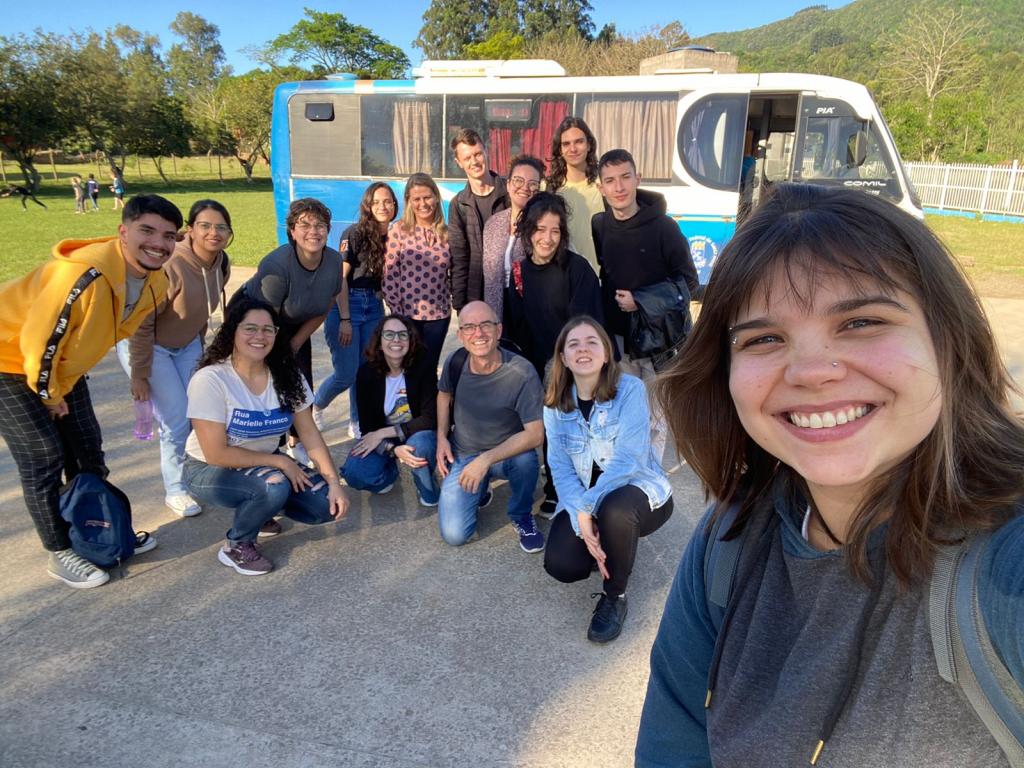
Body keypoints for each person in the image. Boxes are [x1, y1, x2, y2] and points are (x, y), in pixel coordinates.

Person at [635, 183, 1024, 766]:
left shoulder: (1002, 570)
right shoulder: (730, 538)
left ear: (948, 341)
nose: (812, 371)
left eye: (861, 322)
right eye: (764, 338)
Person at [0, 194, 178, 588]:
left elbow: (124, 330)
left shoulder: (157, 282)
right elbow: (40, 342)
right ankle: (59, 549)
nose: (158, 243)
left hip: (61, 366)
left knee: (87, 449)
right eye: (147, 231)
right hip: (8, 359)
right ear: (123, 231)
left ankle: (94, 533)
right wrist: (50, 395)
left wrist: (62, 385)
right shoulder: (82, 275)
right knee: (44, 455)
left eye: (168, 236)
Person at [183, 297, 349, 576]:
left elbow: (309, 433)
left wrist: (334, 482)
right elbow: (216, 454)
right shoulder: (211, 379)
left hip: (262, 462)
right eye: (250, 328)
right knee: (274, 485)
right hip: (208, 469)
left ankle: (259, 510)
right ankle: (237, 544)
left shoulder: (286, 375)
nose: (259, 336)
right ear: (232, 331)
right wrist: (283, 463)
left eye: (268, 329)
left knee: (325, 506)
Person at [542, 317, 673, 643]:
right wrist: (578, 515)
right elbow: (560, 470)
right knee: (562, 564)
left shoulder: (630, 389)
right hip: (586, 500)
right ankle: (614, 545)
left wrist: (587, 508)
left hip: (639, 490)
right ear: (563, 357)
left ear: (605, 354)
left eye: (592, 342)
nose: (582, 349)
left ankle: (615, 596)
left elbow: (629, 461)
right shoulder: (555, 404)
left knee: (616, 511)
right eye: (573, 344)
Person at [116, 199, 232, 518]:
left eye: (221, 227)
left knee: (202, 410)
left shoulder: (221, 263)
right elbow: (141, 324)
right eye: (205, 226)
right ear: (190, 230)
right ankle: (176, 489)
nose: (213, 233)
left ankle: (199, 473)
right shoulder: (172, 265)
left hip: (187, 345)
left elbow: (202, 312)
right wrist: (139, 375)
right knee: (177, 418)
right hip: (149, 347)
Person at [592, 148, 699, 461]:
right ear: (601, 188)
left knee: (653, 421)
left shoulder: (664, 227)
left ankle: (647, 484)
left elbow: (689, 284)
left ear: (638, 179)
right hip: (619, 343)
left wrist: (640, 300)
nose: (619, 187)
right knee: (623, 417)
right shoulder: (599, 224)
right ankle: (625, 478)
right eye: (610, 181)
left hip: (658, 344)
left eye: (626, 177)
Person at [503, 193, 604, 517]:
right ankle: (549, 486)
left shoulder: (577, 268)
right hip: (533, 363)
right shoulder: (519, 272)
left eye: (555, 230)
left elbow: (586, 326)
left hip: (572, 363)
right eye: (540, 229)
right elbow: (515, 326)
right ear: (528, 231)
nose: (547, 238)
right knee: (541, 426)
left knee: (567, 425)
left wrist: (561, 364)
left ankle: (569, 489)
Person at [235, 197, 343, 464]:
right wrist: (277, 352)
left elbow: (323, 306)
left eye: (320, 225)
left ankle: (295, 441)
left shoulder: (333, 261)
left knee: (299, 381)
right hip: (255, 319)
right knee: (262, 378)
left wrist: (295, 342)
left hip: (296, 321)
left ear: (328, 229)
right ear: (292, 231)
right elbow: (264, 319)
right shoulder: (277, 264)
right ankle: (253, 444)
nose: (313, 231)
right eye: (304, 225)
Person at [436, 301, 545, 553]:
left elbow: (535, 434)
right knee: (454, 535)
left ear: (499, 330)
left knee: (526, 461)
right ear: (460, 335)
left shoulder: (522, 372)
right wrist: (442, 437)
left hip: (506, 455)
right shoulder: (455, 362)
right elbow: (443, 395)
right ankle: (480, 486)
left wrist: (485, 460)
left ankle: (521, 514)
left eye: (486, 324)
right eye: (470, 327)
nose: (479, 333)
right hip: (464, 454)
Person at [314, 183, 396, 437]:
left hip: (373, 306)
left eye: (388, 201)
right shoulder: (356, 233)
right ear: (368, 206)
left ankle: (356, 421)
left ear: (395, 205)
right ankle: (315, 405)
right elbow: (341, 279)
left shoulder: (394, 237)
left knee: (367, 369)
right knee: (347, 374)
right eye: (377, 202)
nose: (383, 206)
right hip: (346, 305)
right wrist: (346, 319)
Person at [341, 315, 440, 506]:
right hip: (386, 440)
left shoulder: (424, 366)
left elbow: (430, 418)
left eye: (403, 335)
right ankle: (389, 473)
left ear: (411, 341)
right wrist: (393, 450)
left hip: (418, 433)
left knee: (420, 444)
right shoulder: (366, 373)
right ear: (379, 341)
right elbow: (367, 428)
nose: (396, 340)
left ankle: (426, 484)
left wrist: (384, 433)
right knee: (355, 472)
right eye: (389, 334)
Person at [382, 173, 451, 372]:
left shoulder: (447, 233)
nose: (423, 203)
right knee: (407, 370)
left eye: (427, 197)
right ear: (409, 202)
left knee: (429, 370)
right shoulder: (399, 230)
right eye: (417, 199)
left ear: (436, 197)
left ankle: (429, 404)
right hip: (407, 316)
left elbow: (454, 274)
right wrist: (397, 314)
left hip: (438, 317)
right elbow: (390, 274)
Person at [448, 129, 509, 311]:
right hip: (476, 295)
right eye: (467, 158)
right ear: (459, 162)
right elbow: (459, 260)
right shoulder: (458, 204)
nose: (474, 162)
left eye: (478, 154)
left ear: (486, 152)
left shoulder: (510, 192)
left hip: (510, 293)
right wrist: (460, 306)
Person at [481, 154, 543, 320]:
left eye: (532, 184)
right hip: (497, 305)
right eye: (518, 180)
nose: (525, 187)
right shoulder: (493, 224)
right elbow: (488, 277)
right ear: (508, 185)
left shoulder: (544, 224)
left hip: (532, 308)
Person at [546, 116, 603, 272]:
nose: (573, 149)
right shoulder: (548, 188)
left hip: (600, 279)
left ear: (589, 145)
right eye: (566, 144)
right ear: (559, 149)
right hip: (561, 277)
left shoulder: (604, 185)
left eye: (579, 141)